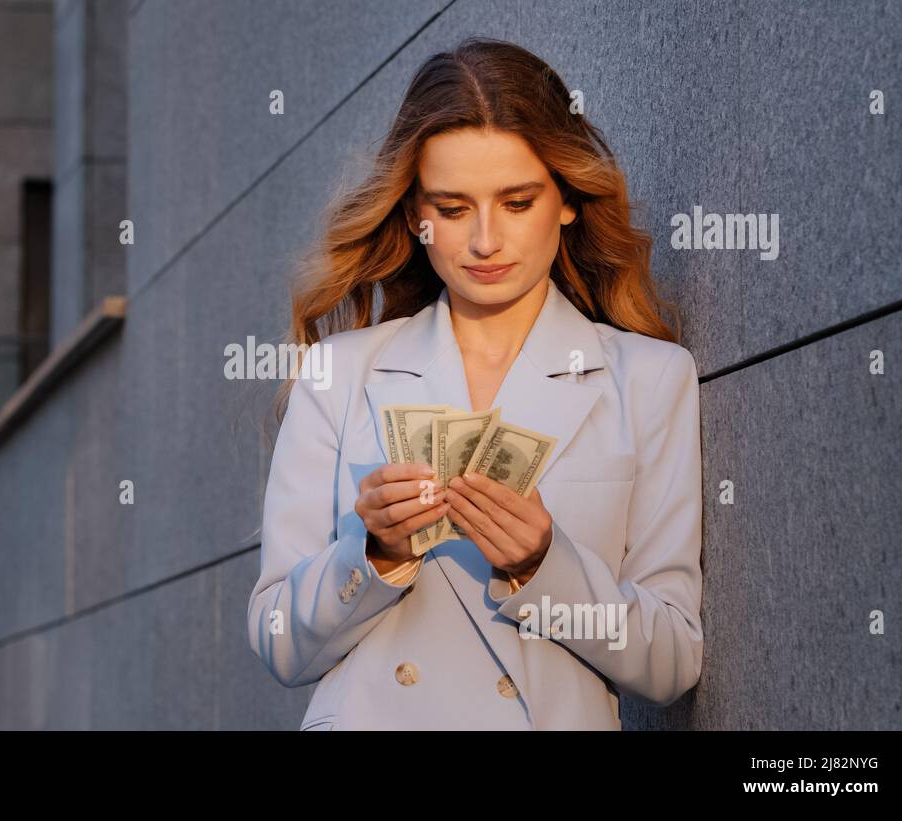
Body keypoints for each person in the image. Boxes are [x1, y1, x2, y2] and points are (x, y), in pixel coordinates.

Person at [247, 38, 704, 730]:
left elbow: (672, 659)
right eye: (454, 209)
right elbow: (278, 640)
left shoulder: (648, 379)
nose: (486, 241)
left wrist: (545, 563)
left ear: (568, 200)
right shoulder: (338, 374)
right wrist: (372, 554)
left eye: (517, 202)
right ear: (414, 216)